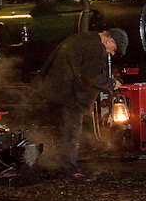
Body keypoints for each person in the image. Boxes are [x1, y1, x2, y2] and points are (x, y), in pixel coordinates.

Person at [38, 28, 128, 179]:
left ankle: (55, 164)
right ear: (109, 41)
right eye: (114, 49)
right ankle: (71, 171)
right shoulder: (94, 47)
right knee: (70, 133)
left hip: (57, 92)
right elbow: (91, 77)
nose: (112, 54)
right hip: (70, 96)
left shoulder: (82, 39)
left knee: (61, 132)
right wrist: (112, 84)